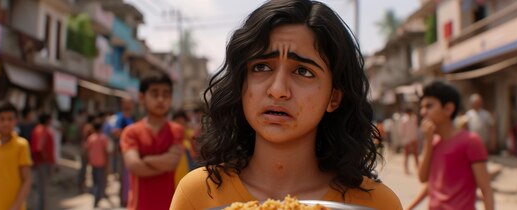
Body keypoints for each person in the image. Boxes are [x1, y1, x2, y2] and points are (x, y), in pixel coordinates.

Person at [170, 0, 402, 209]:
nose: (278, 90)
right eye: (261, 67)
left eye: (303, 71)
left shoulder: (376, 204)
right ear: (242, 84)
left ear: (334, 98)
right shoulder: (200, 193)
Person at [417, 81, 494, 210]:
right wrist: (427, 142)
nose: (423, 112)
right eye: (422, 107)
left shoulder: (470, 141)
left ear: (448, 109)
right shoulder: (434, 142)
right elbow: (423, 178)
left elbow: (486, 189)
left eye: (429, 106)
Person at [120, 72, 184, 210]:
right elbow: (135, 166)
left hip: (169, 206)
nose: (161, 99)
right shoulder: (131, 132)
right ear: (142, 97)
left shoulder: (176, 130)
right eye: (155, 93)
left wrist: (146, 159)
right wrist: (162, 162)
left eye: (166, 94)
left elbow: (172, 163)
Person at [30, 113, 55, 210]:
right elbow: (40, 148)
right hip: (43, 163)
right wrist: (45, 159)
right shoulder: (42, 130)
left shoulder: (38, 129)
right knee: (43, 190)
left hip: (41, 162)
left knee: (42, 190)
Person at [86, 121, 111, 208]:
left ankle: (96, 198)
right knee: (100, 182)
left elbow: (88, 150)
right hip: (101, 163)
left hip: (93, 163)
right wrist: (107, 163)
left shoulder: (91, 138)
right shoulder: (104, 138)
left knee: (95, 182)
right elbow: (106, 152)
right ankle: (97, 198)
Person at [78, 114, 98, 193]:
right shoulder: (89, 128)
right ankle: (81, 186)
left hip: (85, 149)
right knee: (84, 169)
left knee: (84, 168)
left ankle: (81, 186)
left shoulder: (86, 127)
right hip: (87, 150)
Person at [400, 108, 419, 175]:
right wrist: (404, 139)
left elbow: (415, 128)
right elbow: (402, 131)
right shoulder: (404, 119)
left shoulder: (414, 118)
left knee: (416, 154)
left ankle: (418, 168)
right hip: (407, 139)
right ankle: (406, 169)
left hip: (413, 138)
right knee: (406, 154)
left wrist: (415, 137)